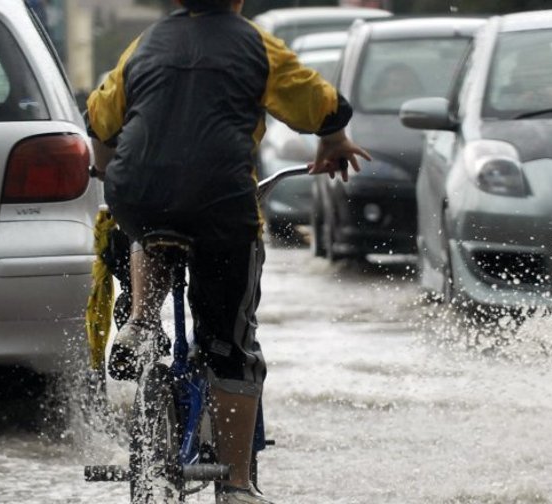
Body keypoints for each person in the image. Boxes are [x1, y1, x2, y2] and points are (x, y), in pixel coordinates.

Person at [85, 0, 370, 502]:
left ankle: (142, 319)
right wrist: (335, 138)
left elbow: (101, 116)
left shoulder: (144, 44)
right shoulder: (254, 43)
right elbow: (316, 101)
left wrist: (108, 167)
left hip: (137, 191)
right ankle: (237, 485)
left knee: (146, 223)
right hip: (219, 201)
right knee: (230, 349)